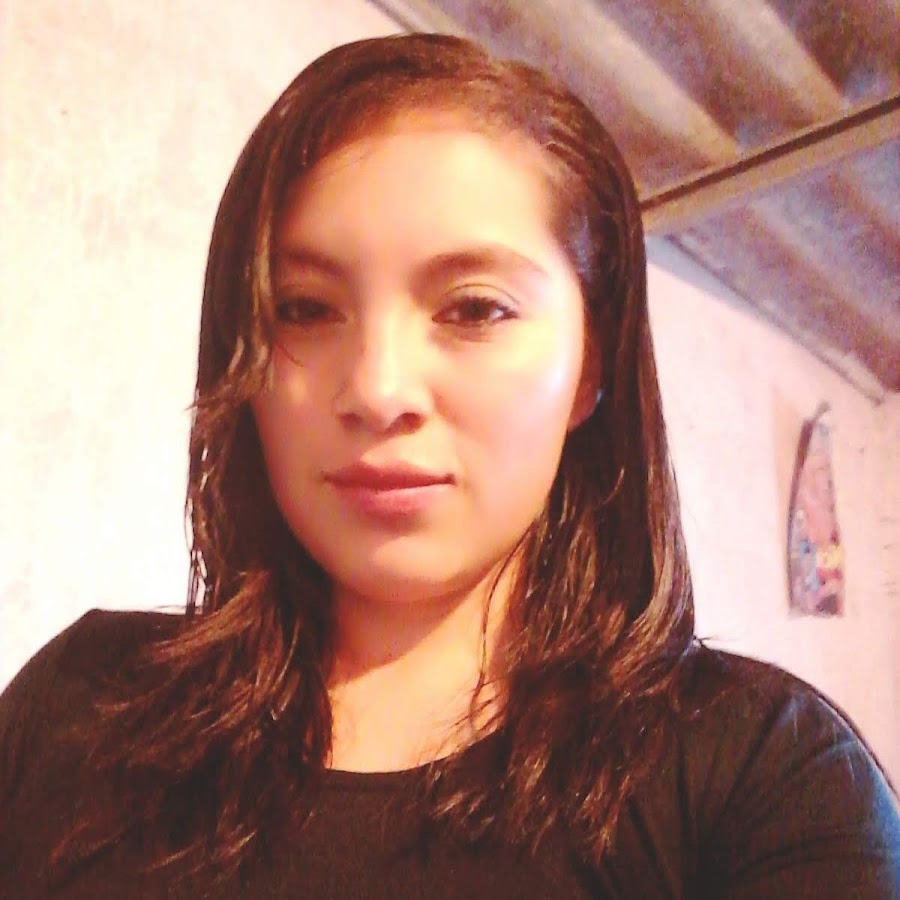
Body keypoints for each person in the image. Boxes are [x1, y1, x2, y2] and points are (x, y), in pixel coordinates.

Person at [1, 32, 897, 899]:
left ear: (591, 364)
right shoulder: (77, 710)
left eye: (473, 309)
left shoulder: (764, 781)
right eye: (304, 307)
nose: (377, 389)